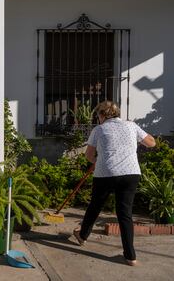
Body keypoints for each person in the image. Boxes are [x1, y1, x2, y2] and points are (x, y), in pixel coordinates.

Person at [73, 101, 156, 266]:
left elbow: (89, 155)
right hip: (131, 173)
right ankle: (130, 256)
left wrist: (99, 160)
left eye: (98, 116)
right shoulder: (132, 126)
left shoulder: (99, 129)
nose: (97, 119)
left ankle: (82, 236)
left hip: (106, 173)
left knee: (95, 206)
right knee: (125, 214)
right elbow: (151, 142)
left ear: (103, 115)